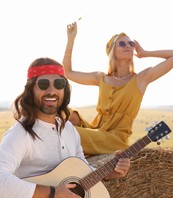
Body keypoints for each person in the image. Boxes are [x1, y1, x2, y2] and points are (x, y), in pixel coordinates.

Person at [0, 57, 130, 198]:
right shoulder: (20, 134)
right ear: (31, 90)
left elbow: (81, 172)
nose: (51, 90)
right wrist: (51, 195)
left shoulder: (69, 130)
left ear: (65, 90)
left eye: (59, 84)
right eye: (43, 84)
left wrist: (108, 173)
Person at [63, 22, 173, 155]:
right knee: (64, 113)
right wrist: (71, 39)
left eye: (131, 43)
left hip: (115, 139)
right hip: (95, 130)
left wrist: (145, 53)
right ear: (111, 51)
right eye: (122, 43)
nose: (128, 46)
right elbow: (68, 72)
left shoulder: (140, 79)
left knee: (69, 131)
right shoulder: (101, 78)